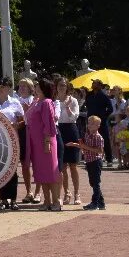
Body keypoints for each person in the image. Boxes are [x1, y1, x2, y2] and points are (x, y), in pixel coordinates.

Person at [0, 78, 23, 210]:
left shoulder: (15, 102)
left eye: (4, 86)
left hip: (11, 140)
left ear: (9, 88)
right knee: (0, 170)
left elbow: (22, 121)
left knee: (12, 170)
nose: (1, 88)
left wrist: (16, 125)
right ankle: (3, 199)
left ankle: (13, 200)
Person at [26, 78, 61, 211]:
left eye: (38, 86)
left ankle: (56, 201)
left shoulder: (46, 102)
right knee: (41, 173)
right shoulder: (37, 102)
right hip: (36, 143)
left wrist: (47, 141)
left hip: (45, 142)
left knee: (51, 172)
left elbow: (49, 124)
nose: (36, 88)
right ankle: (46, 201)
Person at [66, 114, 106, 210]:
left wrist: (85, 147)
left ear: (98, 126)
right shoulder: (87, 135)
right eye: (89, 123)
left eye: (93, 124)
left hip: (96, 161)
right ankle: (101, 203)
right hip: (89, 161)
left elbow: (100, 150)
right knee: (93, 182)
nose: (90, 125)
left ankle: (94, 203)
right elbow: (83, 146)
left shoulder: (98, 137)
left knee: (96, 183)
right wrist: (75, 145)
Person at [56, 78, 81, 206]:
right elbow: (55, 117)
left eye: (63, 85)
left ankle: (77, 193)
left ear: (67, 87)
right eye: (59, 85)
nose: (61, 87)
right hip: (59, 130)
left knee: (73, 165)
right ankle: (67, 192)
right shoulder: (54, 101)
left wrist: (67, 108)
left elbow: (74, 116)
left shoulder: (73, 100)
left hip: (71, 129)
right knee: (63, 165)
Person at [86, 79, 114, 164]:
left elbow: (110, 109)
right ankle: (90, 157)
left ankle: (109, 159)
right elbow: (87, 106)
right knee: (90, 138)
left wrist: (103, 117)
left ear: (100, 85)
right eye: (93, 83)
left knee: (105, 139)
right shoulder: (89, 95)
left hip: (101, 121)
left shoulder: (104, 96)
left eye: (95, 83)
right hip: (91, 121)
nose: (93, 84)